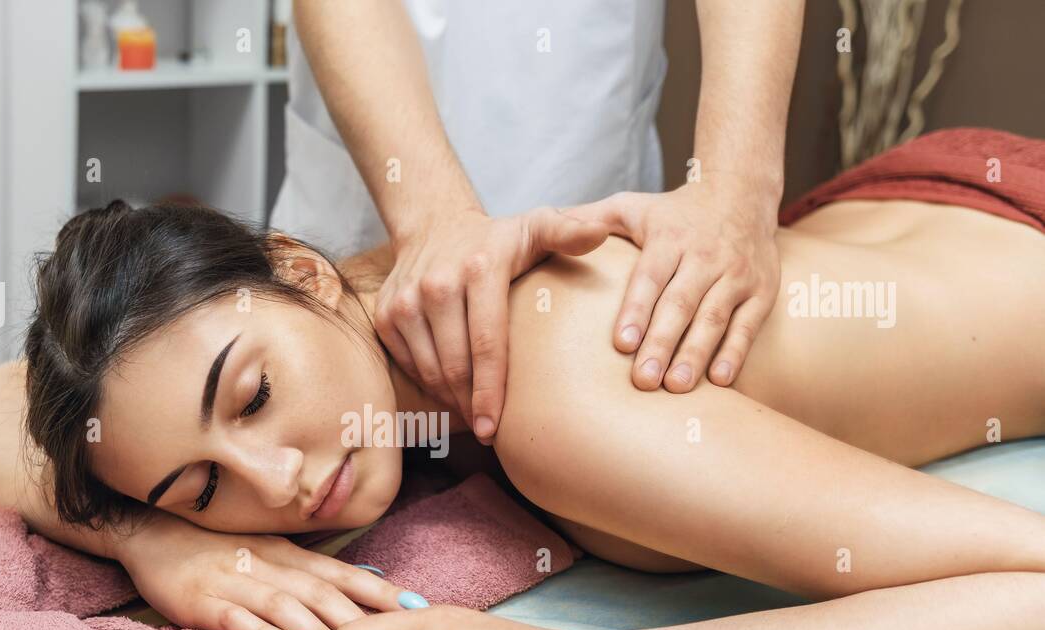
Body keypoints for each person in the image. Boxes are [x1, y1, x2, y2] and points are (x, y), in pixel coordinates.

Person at [0, 161, 1045, 630]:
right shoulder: (370, 302)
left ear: (301, 273)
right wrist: (160, 542)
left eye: (253, 395)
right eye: (204, 484)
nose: (278, 487)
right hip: (895, 216)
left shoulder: (550, 393)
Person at [273, 0, 804, 444]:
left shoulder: (580, 411)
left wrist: (738, 190)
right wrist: (433, 222)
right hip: (365, 234)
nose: (277, 477)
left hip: (592, 247)